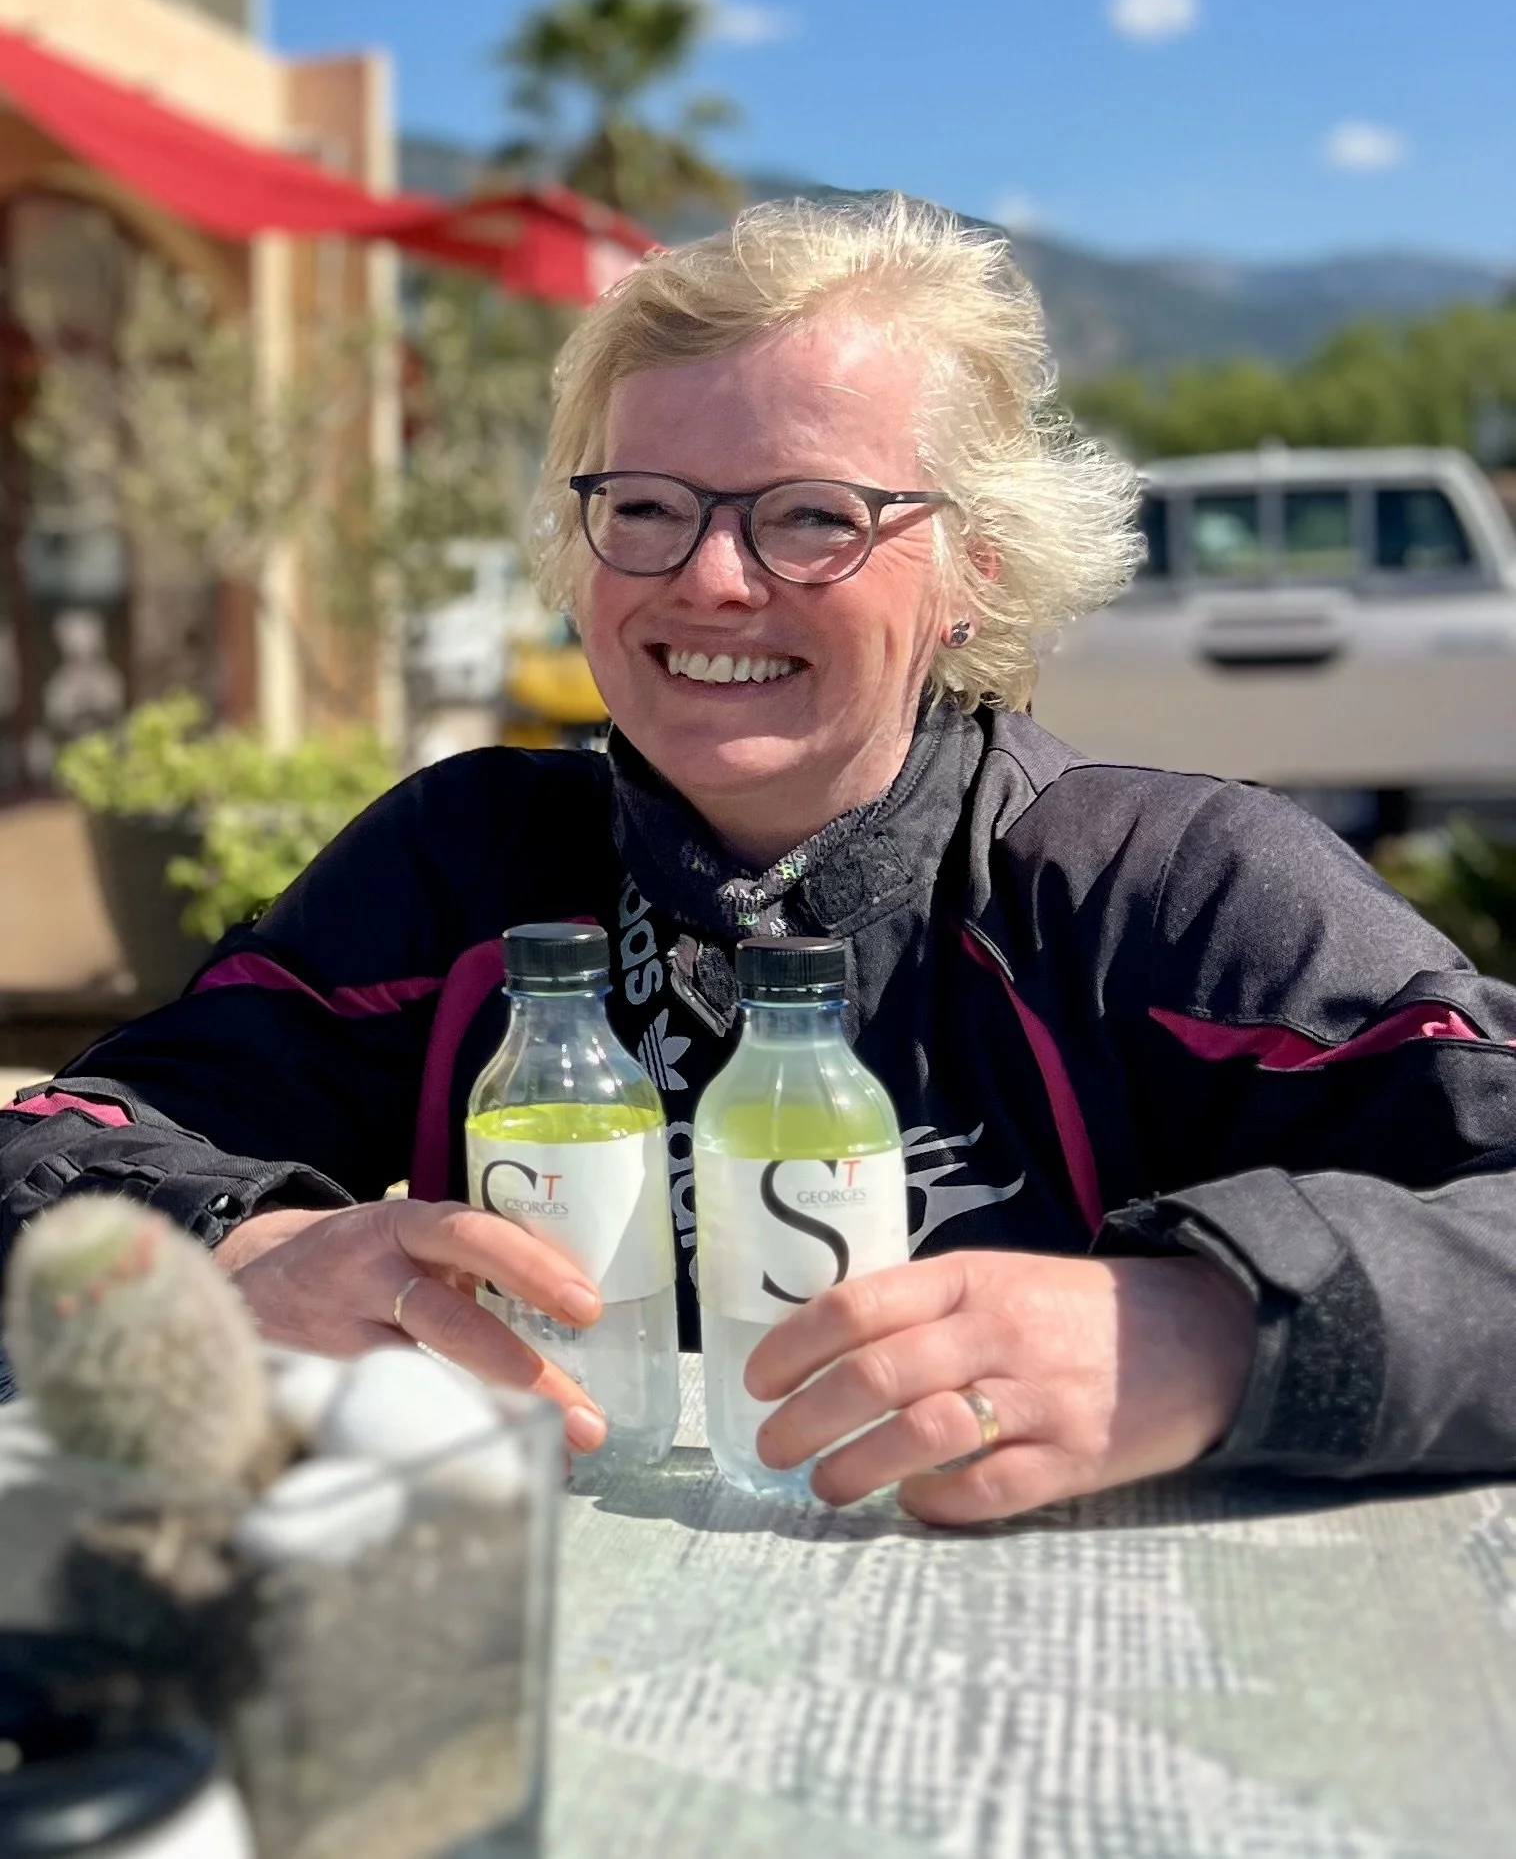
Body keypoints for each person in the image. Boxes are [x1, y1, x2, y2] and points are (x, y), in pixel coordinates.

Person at [3, 194, 1514, 1525]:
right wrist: (238, 1252)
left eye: (812, 517)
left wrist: (1208, 1330)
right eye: (646, 510)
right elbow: (67, 1141)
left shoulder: (1166, 894)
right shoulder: (463, 867)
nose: (713, 580)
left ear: (974, 572)